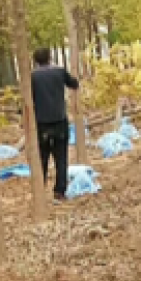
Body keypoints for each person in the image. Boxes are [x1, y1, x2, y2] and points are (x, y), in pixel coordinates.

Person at [31, 47, 79, 202]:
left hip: (41, 123)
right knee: (61, 158)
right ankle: (59, 192)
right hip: (59, 120)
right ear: (50, 57)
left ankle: (40, 191)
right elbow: (73, 84)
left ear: (35, 60)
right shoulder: (59, 72)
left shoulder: (32, 76)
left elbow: (27, 98)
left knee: (42, 158)